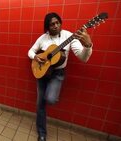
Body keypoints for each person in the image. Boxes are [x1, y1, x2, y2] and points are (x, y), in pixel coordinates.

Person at [28, 12, 93, 141]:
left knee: (50, 99)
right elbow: (30, 51)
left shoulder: (69, 36)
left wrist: (88, 45)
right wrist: (35, 57)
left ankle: (51, 95)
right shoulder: (43, 38)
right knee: (40, 104)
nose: (56, 26)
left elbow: (83, 58)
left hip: (57, 74)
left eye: (58, 23)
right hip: (42, 73)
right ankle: (42, 134)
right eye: (52, 24)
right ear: (47, 26)